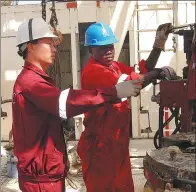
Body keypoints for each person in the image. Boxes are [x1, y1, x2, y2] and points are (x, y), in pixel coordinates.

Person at [12, 18, 143, 192]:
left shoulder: (36, 80)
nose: (54, 48)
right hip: (40, 180)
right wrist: (115, 91)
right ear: (31, 46)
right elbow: (63, 104)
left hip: (47, 175)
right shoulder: (31, 83)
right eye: (49, 43)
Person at [77, 22, 175, 192]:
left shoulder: (114, 66)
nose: (108, 51)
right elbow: (133, 84)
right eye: (102, 48)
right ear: (90, 50)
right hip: (99, 150)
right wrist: (158, 73)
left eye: (110, 46)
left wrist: (158, 45)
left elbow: (142, 71)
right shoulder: (93, 71)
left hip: (118, 146)